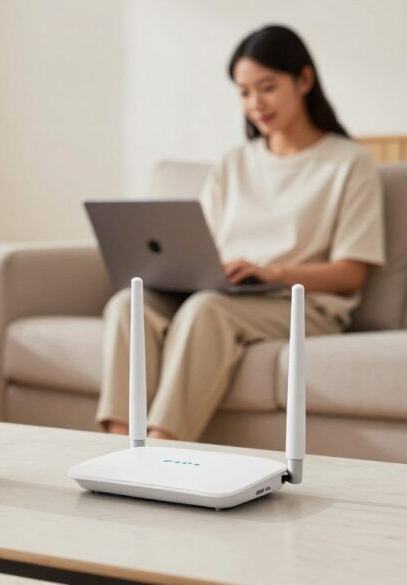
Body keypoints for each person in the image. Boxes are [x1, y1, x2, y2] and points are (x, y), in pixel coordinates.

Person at [97, 25, 385, 441]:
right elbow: (203, 244)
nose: (255, 104)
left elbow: (352, 273)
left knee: (206, 310)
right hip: (225, 291)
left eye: (266, 88)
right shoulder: (233, 163)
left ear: (304, 80)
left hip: (301, 303)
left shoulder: (348, 163)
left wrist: (274, 273)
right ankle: (119, 449)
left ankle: (160, 451)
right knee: (129, 304)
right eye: (244, 92)